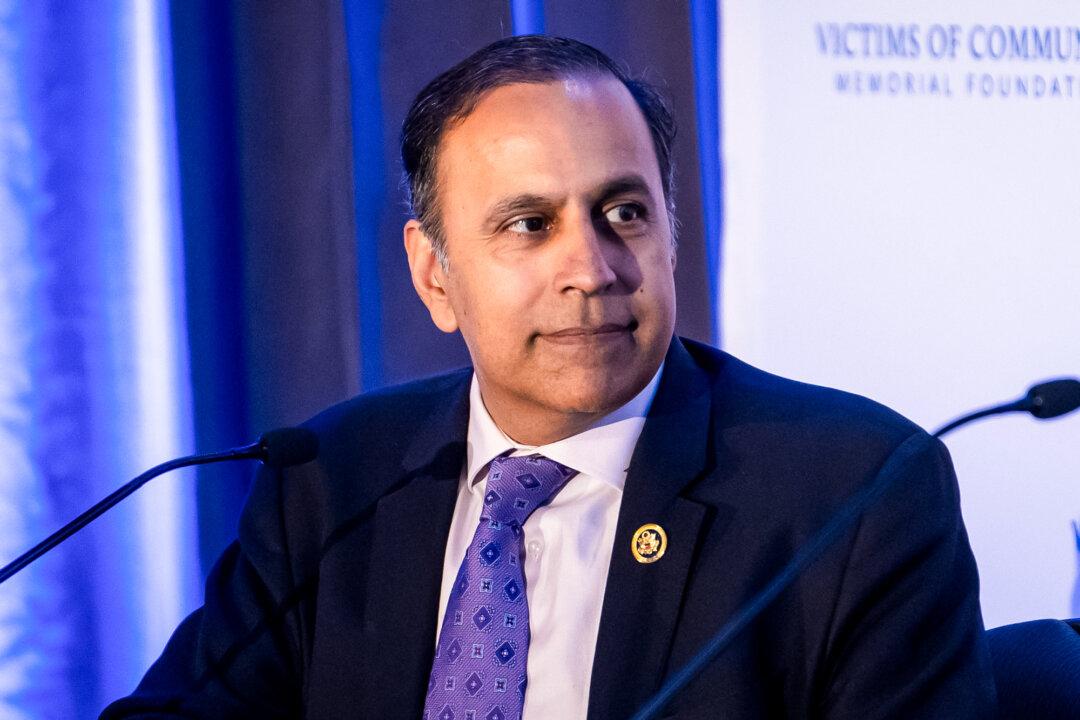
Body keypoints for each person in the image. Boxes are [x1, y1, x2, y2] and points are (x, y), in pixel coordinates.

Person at [102, 35, 995, 719]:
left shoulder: (854, 494)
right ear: (433, 274)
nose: (594, 268)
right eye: (529, 224)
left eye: (624, 212)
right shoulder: (332, 480)